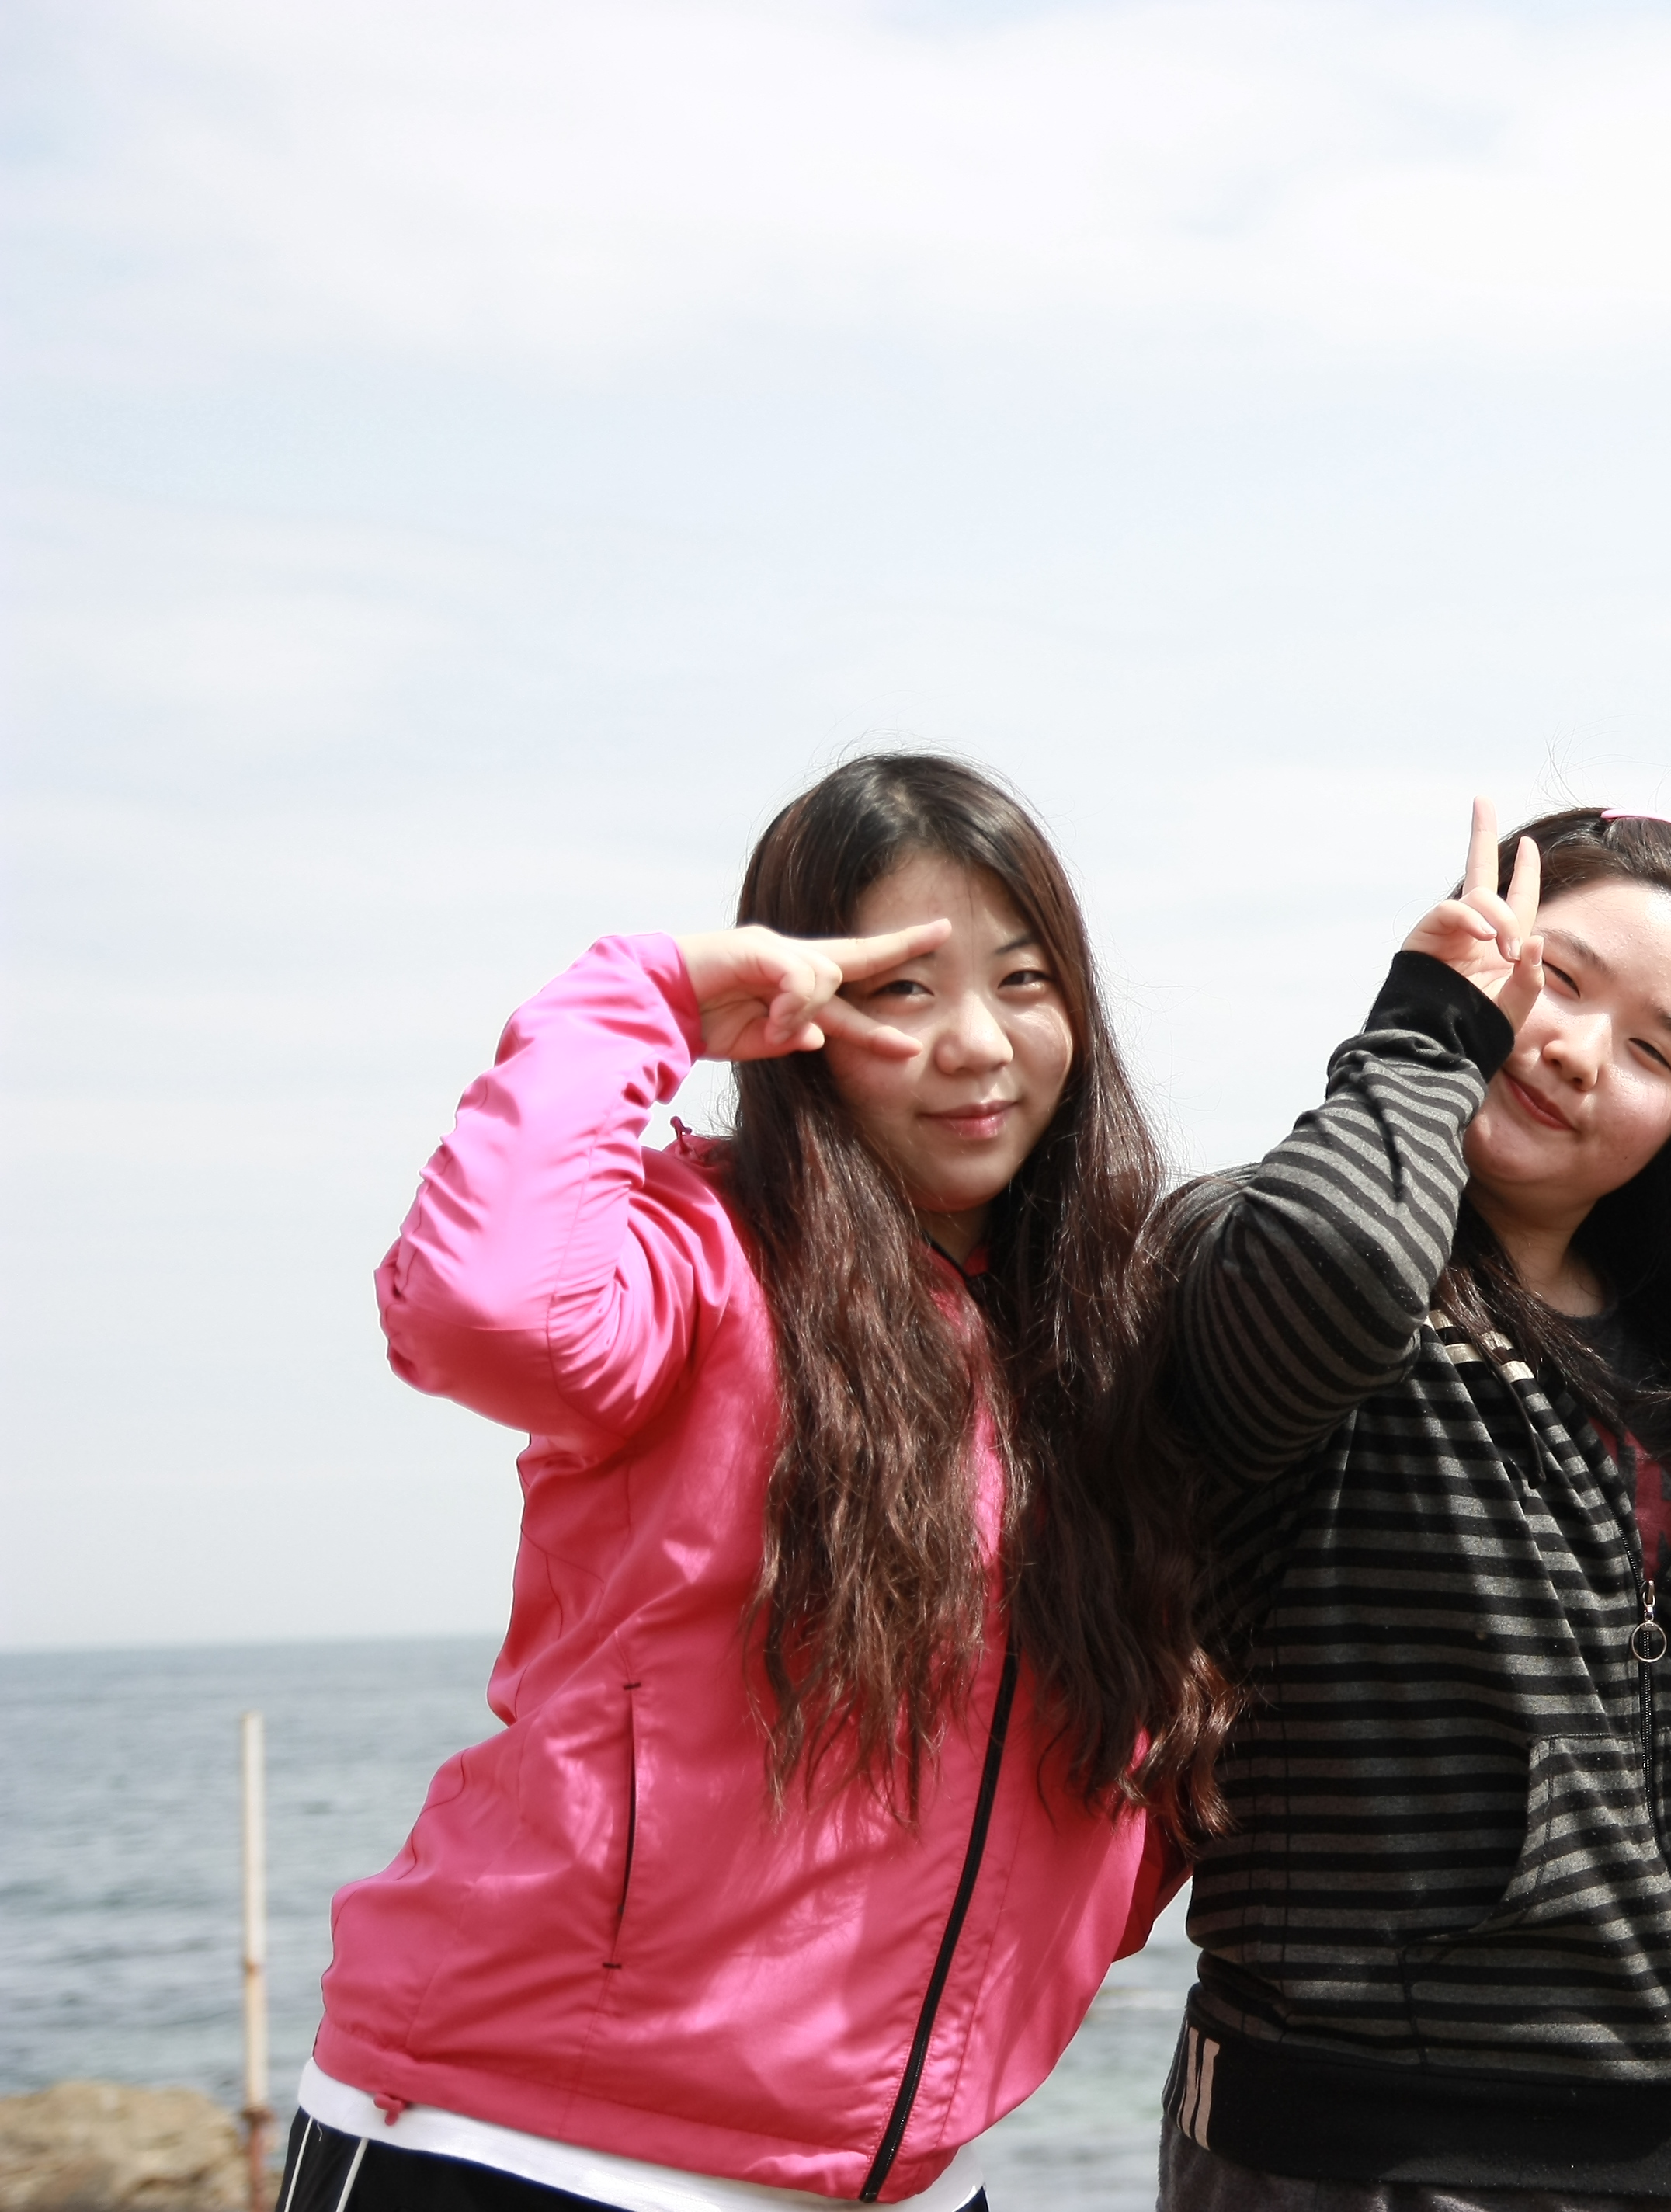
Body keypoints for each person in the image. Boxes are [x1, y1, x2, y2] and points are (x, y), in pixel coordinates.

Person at [290, 755, 1212, 2212]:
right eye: (901, 990)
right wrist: (648, 1001)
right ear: (803, 1018)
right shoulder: (704, 1255)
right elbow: (479, 1312)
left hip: (904, 2181)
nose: (976, 1043)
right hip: (525, 2147)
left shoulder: (1102, 1342)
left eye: (1024, 981)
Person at [1138, 805, 1671, 2210]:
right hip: (1364, 2153)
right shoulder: (1267, 1250)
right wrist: (1430, 1025)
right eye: (1554, 979)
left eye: (1655, 1050)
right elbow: (1340, 1270)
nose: (1579, 1051)